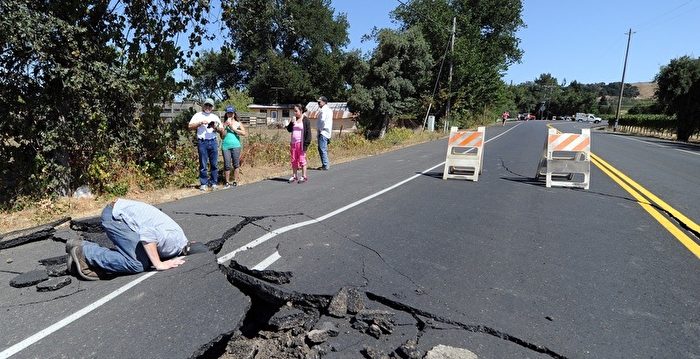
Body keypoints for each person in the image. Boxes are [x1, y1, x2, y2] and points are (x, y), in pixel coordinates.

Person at [66, 199, 196, 280]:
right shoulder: (172, 242)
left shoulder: (180, 240)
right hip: (115, 217)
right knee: (138, 264)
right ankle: (85, 253)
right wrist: (159, 264)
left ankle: (81, 244)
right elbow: (148, 234)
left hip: (121, 212)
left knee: (146, 256)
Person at [188, 98, 222, 191]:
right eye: (206, 105)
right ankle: (204, 183)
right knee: (203, 163)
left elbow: (222, 131)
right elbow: (190, 126)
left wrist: (215, 127)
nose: (208, 107)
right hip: (202, 142)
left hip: (213, 141)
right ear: (203, 106)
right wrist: (200, 123)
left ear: (212, 107)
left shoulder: (215, 117)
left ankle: (214, 183)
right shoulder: (198, 115)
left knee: (214, 163)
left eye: (210, 106)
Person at [219, 105, 247, 189]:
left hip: (236, 146)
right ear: (226, 114)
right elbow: (222, 136)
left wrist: (233, 128)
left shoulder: (238, 123)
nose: (230, 115)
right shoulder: (223, 124)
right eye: (228, 113)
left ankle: (235, 181)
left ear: (234, 114)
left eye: (231, 113)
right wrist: (224, 127)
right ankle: (227, 182)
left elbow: (244, 133)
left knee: (236, 164)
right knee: (227, 165)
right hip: (226, 146)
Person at [286, 104, 312, 183]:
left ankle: (304, 176)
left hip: (301, 143)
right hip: (293, 143)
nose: (295, 112)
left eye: (296, 111)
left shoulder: (306, 120)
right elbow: (289, 130)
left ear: (301, 111)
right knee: (294, 160)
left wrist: (305, 145)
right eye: (294, 111)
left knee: (302, 159)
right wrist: (291, 122)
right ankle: (294, 176)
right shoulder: (294, 119)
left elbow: (308, 134)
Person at [315, 96, 333, 170]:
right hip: (327, 132)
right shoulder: (329, 110)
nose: (318, 103)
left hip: (323, 132)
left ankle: (325, 165)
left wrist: (320, 130)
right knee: (323, 149)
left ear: (324, 102)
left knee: (322, 149)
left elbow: (322, 120)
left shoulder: (323, 110)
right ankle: (325, 164)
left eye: (319, 102)